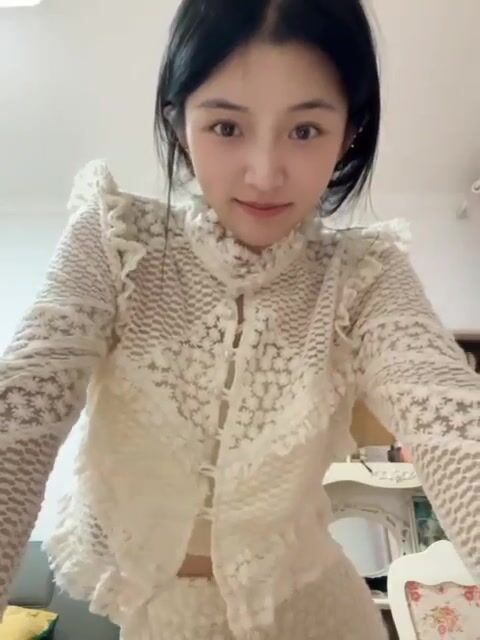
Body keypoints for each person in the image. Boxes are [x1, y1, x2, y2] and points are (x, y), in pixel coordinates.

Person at [1, 0, 479, 638]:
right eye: (227, 127)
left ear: (349, 133)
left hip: (321, 614)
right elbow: (23, 404)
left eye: (305, 130)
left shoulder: (364, 274)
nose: (264, 172)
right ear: (179, 123)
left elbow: (453, 418)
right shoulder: (115, 241)